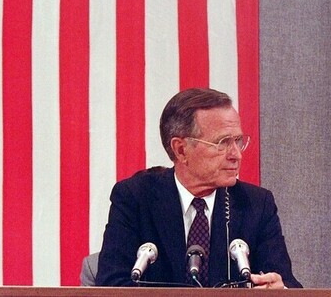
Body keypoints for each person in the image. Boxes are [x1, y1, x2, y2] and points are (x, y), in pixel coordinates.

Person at [95, 88, 301, 288]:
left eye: (238, 141)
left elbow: (286, 283)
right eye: (223, 143)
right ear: (181, 150)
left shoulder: (256, 204)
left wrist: (279, 290)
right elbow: (111, 285)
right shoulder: (136, 198)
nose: (236, 155)